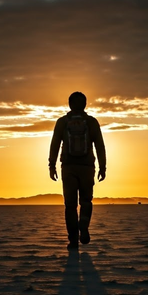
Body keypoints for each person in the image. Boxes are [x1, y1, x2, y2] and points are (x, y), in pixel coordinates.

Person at [49, 92, 106, 250]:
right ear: (85, 104)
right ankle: (84, 225)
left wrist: (51, 165)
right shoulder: (91, 122)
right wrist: (103, 167)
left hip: (68, 167)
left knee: (70, 205)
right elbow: (100, 146)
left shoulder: (62, 122)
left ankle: (73, 241)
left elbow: (54, 143)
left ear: (69, 104)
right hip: (87, 167)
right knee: (86, 201)